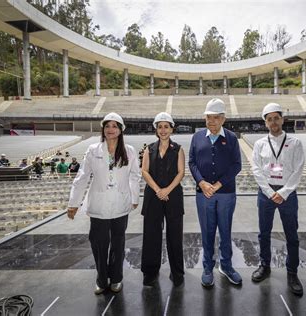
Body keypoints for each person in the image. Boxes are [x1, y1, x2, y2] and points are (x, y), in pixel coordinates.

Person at [67, 112, 140, 295]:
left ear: (121, 130)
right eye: (107, 126)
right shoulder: (93, 149)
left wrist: (134, 198)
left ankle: (116, 278)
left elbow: (134, 176)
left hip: (120, 204)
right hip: (98, 204)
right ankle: (101, 279)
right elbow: (82, 177)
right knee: (99, 243)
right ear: (103, 129)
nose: (110, 129)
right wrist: (73, 203)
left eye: (115, 126)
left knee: (118, 243)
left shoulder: (129, 151)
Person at [251, 103, 305, 296]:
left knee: (292, 235)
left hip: (287, 194)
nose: (273, 122)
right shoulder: (259, 144)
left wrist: (283, 192)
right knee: (263, 232)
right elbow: (256, 169)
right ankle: (264, 266)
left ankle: (292, 272)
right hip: (265, 193)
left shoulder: (295, 142)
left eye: (276, 117)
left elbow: (298, 170)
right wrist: (268, 191)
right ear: (265, 122)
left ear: (282, 119)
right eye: (269, 119)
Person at [189, 98, 242, 287]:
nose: (210, 121)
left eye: (215, 118)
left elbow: (237, 165)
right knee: (207, 231)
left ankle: (226, 266)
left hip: (226, 193)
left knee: (225, 231)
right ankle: (207, 267)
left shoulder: (232, 138)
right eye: (208, 117)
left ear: (223, 119)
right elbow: (192, 163)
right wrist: (202, 182)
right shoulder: (196, 137)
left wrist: (218, 184)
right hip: (203, 193)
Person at [141, 112, 185, 286]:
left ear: (172, 129)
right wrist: (158, 190)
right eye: (160, 127)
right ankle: (150, 272)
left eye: (166, 126)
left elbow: (181, 172)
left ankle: (177, 272)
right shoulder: (149, 149)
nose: (163, 130)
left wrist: (166, 190)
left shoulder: (178, 149)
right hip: (153, 195)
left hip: (173, 195)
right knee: (151, 235)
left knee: (175, 235)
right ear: (156, 130)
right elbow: (145, 171)